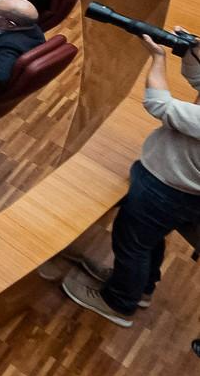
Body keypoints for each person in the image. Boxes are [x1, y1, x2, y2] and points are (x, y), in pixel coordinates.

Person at [59, 23, 200, 327]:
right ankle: (141, 289)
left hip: (169, 189)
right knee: (147, 240)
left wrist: (158, 58)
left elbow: (158, 104)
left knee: (131, 243)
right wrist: (195, 54)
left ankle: (119, 303)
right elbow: (198, 79)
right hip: (173, 184)